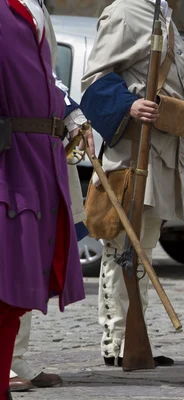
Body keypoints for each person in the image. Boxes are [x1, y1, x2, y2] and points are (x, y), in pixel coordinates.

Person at [81, 0, 184, 367]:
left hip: (161, 153)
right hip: (133, 155)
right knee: (122, 247)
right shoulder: (125, 11)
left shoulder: (165, 15)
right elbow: (94, 82)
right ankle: (116, 341)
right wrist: (128, 105)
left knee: (143, 249)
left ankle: (135, 335)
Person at [0, 0, 88, 397]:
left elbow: (45, 75)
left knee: (16, 288)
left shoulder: (32, 6)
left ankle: (12, 365)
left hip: (38, 156)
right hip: (13, 158)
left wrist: (70, 115)